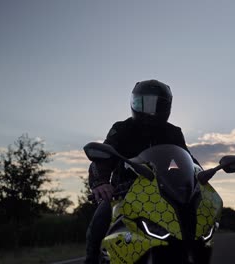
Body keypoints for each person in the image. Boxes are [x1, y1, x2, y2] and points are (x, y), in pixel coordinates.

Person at [85, 79, 200, 264]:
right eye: (142, 102)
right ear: (133, 102)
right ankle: (91, 260)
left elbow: (186, 159)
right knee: (101, 219)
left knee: (192, 225)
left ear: (166, 106)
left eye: (156, 103)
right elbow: (104, 157)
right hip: (125, 192)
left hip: (165, 193)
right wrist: (101, 182)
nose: (149, 109)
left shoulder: (173, 133)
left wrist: (199, 174)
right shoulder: (122, 128)